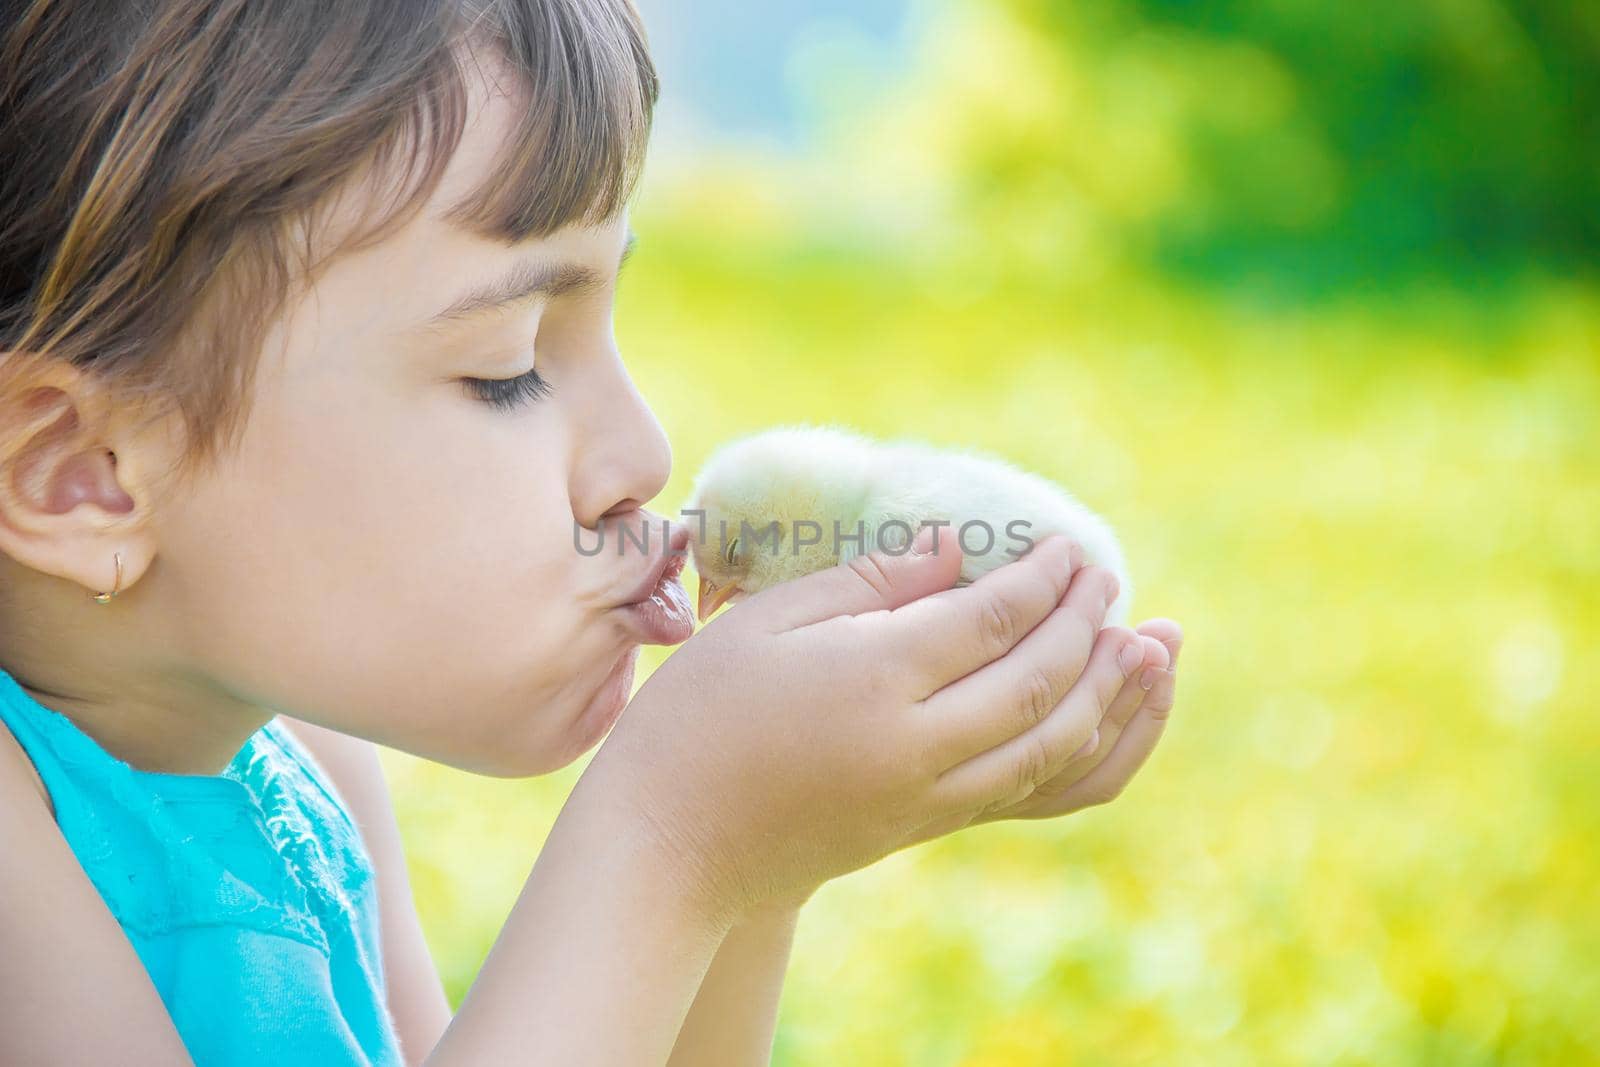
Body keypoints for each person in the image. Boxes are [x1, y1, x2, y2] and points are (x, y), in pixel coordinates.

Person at [0, 2, 1185, 1064]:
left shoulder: (303, 767)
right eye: (509, 364)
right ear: (80, 476)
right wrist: (671, 844)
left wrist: (756, 867)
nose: (645, 453)